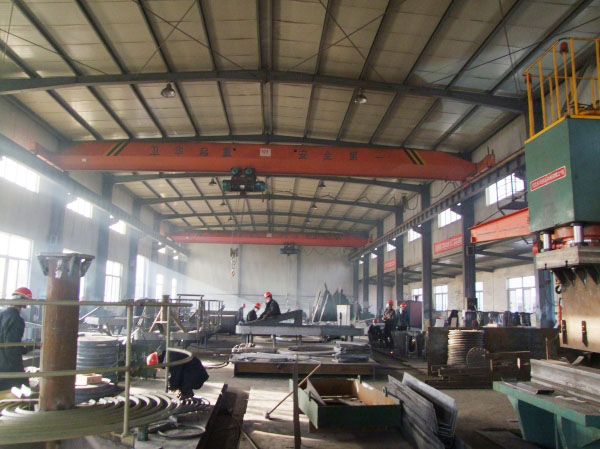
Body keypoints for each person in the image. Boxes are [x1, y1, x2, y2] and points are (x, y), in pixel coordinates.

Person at [0, 287, 32, 392]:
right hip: (9, 365)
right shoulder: (17, 319)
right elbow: (12, 347)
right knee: (24, 391)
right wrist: (30, 347)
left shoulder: (2, 314)